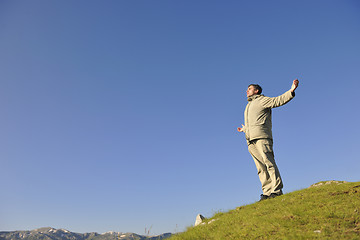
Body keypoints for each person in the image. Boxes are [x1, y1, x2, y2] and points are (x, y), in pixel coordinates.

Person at [237, 79, 299, 201]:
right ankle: (267, 192)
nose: (247, 91)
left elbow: (278, 100)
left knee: (269, 163)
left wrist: (291, 91)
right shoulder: (248, 105)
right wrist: (245, 130)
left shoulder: (262, 100)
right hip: (250, 140)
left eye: (249, 89)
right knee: (260, 168)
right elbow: (255, 122)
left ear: (256, 90)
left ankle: (276, 190)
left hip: (262, 137)